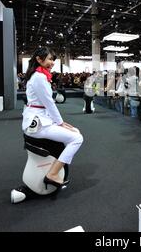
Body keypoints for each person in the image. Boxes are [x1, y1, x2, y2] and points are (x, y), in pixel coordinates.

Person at [22, 47, 84, 188]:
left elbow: (46, 105)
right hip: (38, 123)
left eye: (53, 59)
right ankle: (53, 174)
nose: (52, 62)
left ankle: (55, 169)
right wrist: (60, 123)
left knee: (75, 131)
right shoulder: (39, 77)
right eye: (50, 59)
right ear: (39, 59)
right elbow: (49, 104)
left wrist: (61, 123)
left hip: (40, 119)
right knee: (77, 138)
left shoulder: (39, 75)